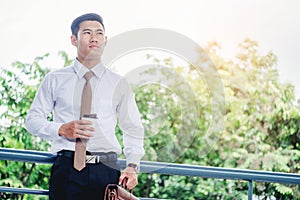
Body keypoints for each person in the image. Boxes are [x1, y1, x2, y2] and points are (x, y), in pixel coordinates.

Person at [25, 13, 144, 200]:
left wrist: (133, 166)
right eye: (87, 32)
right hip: (67, 170)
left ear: (105, 40)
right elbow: (32, 121)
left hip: (107, 171)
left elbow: (133, 128)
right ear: (74, 39)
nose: (94, 38)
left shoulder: (119, 84)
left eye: (99, 33)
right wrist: (61, 129)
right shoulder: (55, 79)